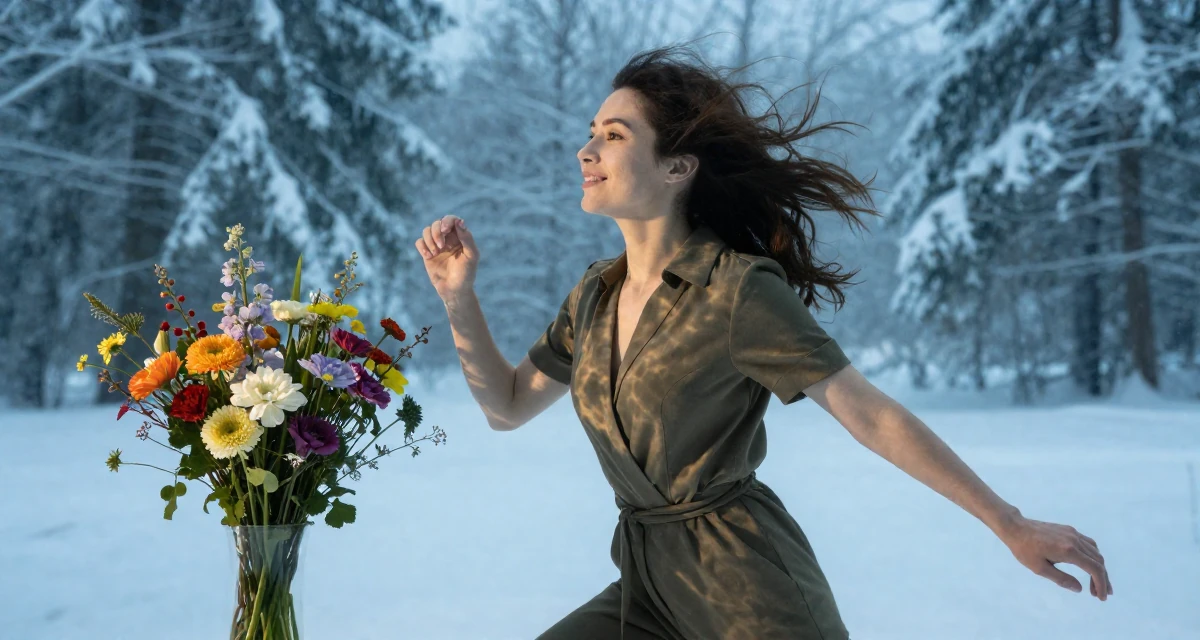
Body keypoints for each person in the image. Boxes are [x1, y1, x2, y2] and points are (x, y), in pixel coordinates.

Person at [416, 45, 1111, 640]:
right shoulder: (594, 296)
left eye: (616, 135)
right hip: (648, 590)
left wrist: (1008, 522)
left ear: (678, 167)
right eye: (592, 131)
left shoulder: (737, 290)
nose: (587, 149)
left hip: (749, 597)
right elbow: (506, 406)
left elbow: (867, 413)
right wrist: (459, 298)